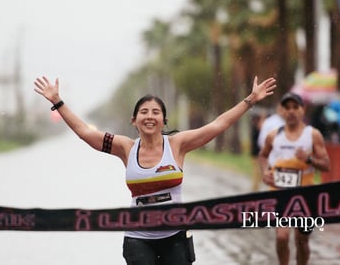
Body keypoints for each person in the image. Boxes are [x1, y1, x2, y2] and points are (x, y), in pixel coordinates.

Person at [34, 75, 276, 265]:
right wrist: (58, 102)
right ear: (134, 120)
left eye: (156, 112)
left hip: (176, 237)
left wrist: (251, 100)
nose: (149, 116)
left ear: (164, 121)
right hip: (138, 239)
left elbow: (218, 124)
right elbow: (86, 133)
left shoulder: (178, 144)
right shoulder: (125, 147)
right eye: (144, 112)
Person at [259, 92, 330, 265]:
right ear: (281, 111)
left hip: (305, 195)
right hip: (280, 192)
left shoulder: (313, 135)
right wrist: (265, 172)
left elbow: (327, 165)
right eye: (287, 107)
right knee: (282, 237)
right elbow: (263, 156)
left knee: (302, 240)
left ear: (302, 110)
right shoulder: (273, 135)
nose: (291, 111)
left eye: (295, 107)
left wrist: (308, 159)